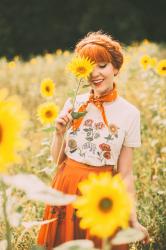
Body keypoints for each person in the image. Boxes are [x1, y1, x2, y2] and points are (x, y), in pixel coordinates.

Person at [37, 31, 150, 250]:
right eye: (89, 67)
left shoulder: (129, 113)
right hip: (66, 187)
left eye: (102, 65)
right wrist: (59, 133)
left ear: (116, 68)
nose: (95, 73)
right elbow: (57, 160)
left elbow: (125, 174)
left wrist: (132, 219)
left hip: (102, 193)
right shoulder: (75, 103)